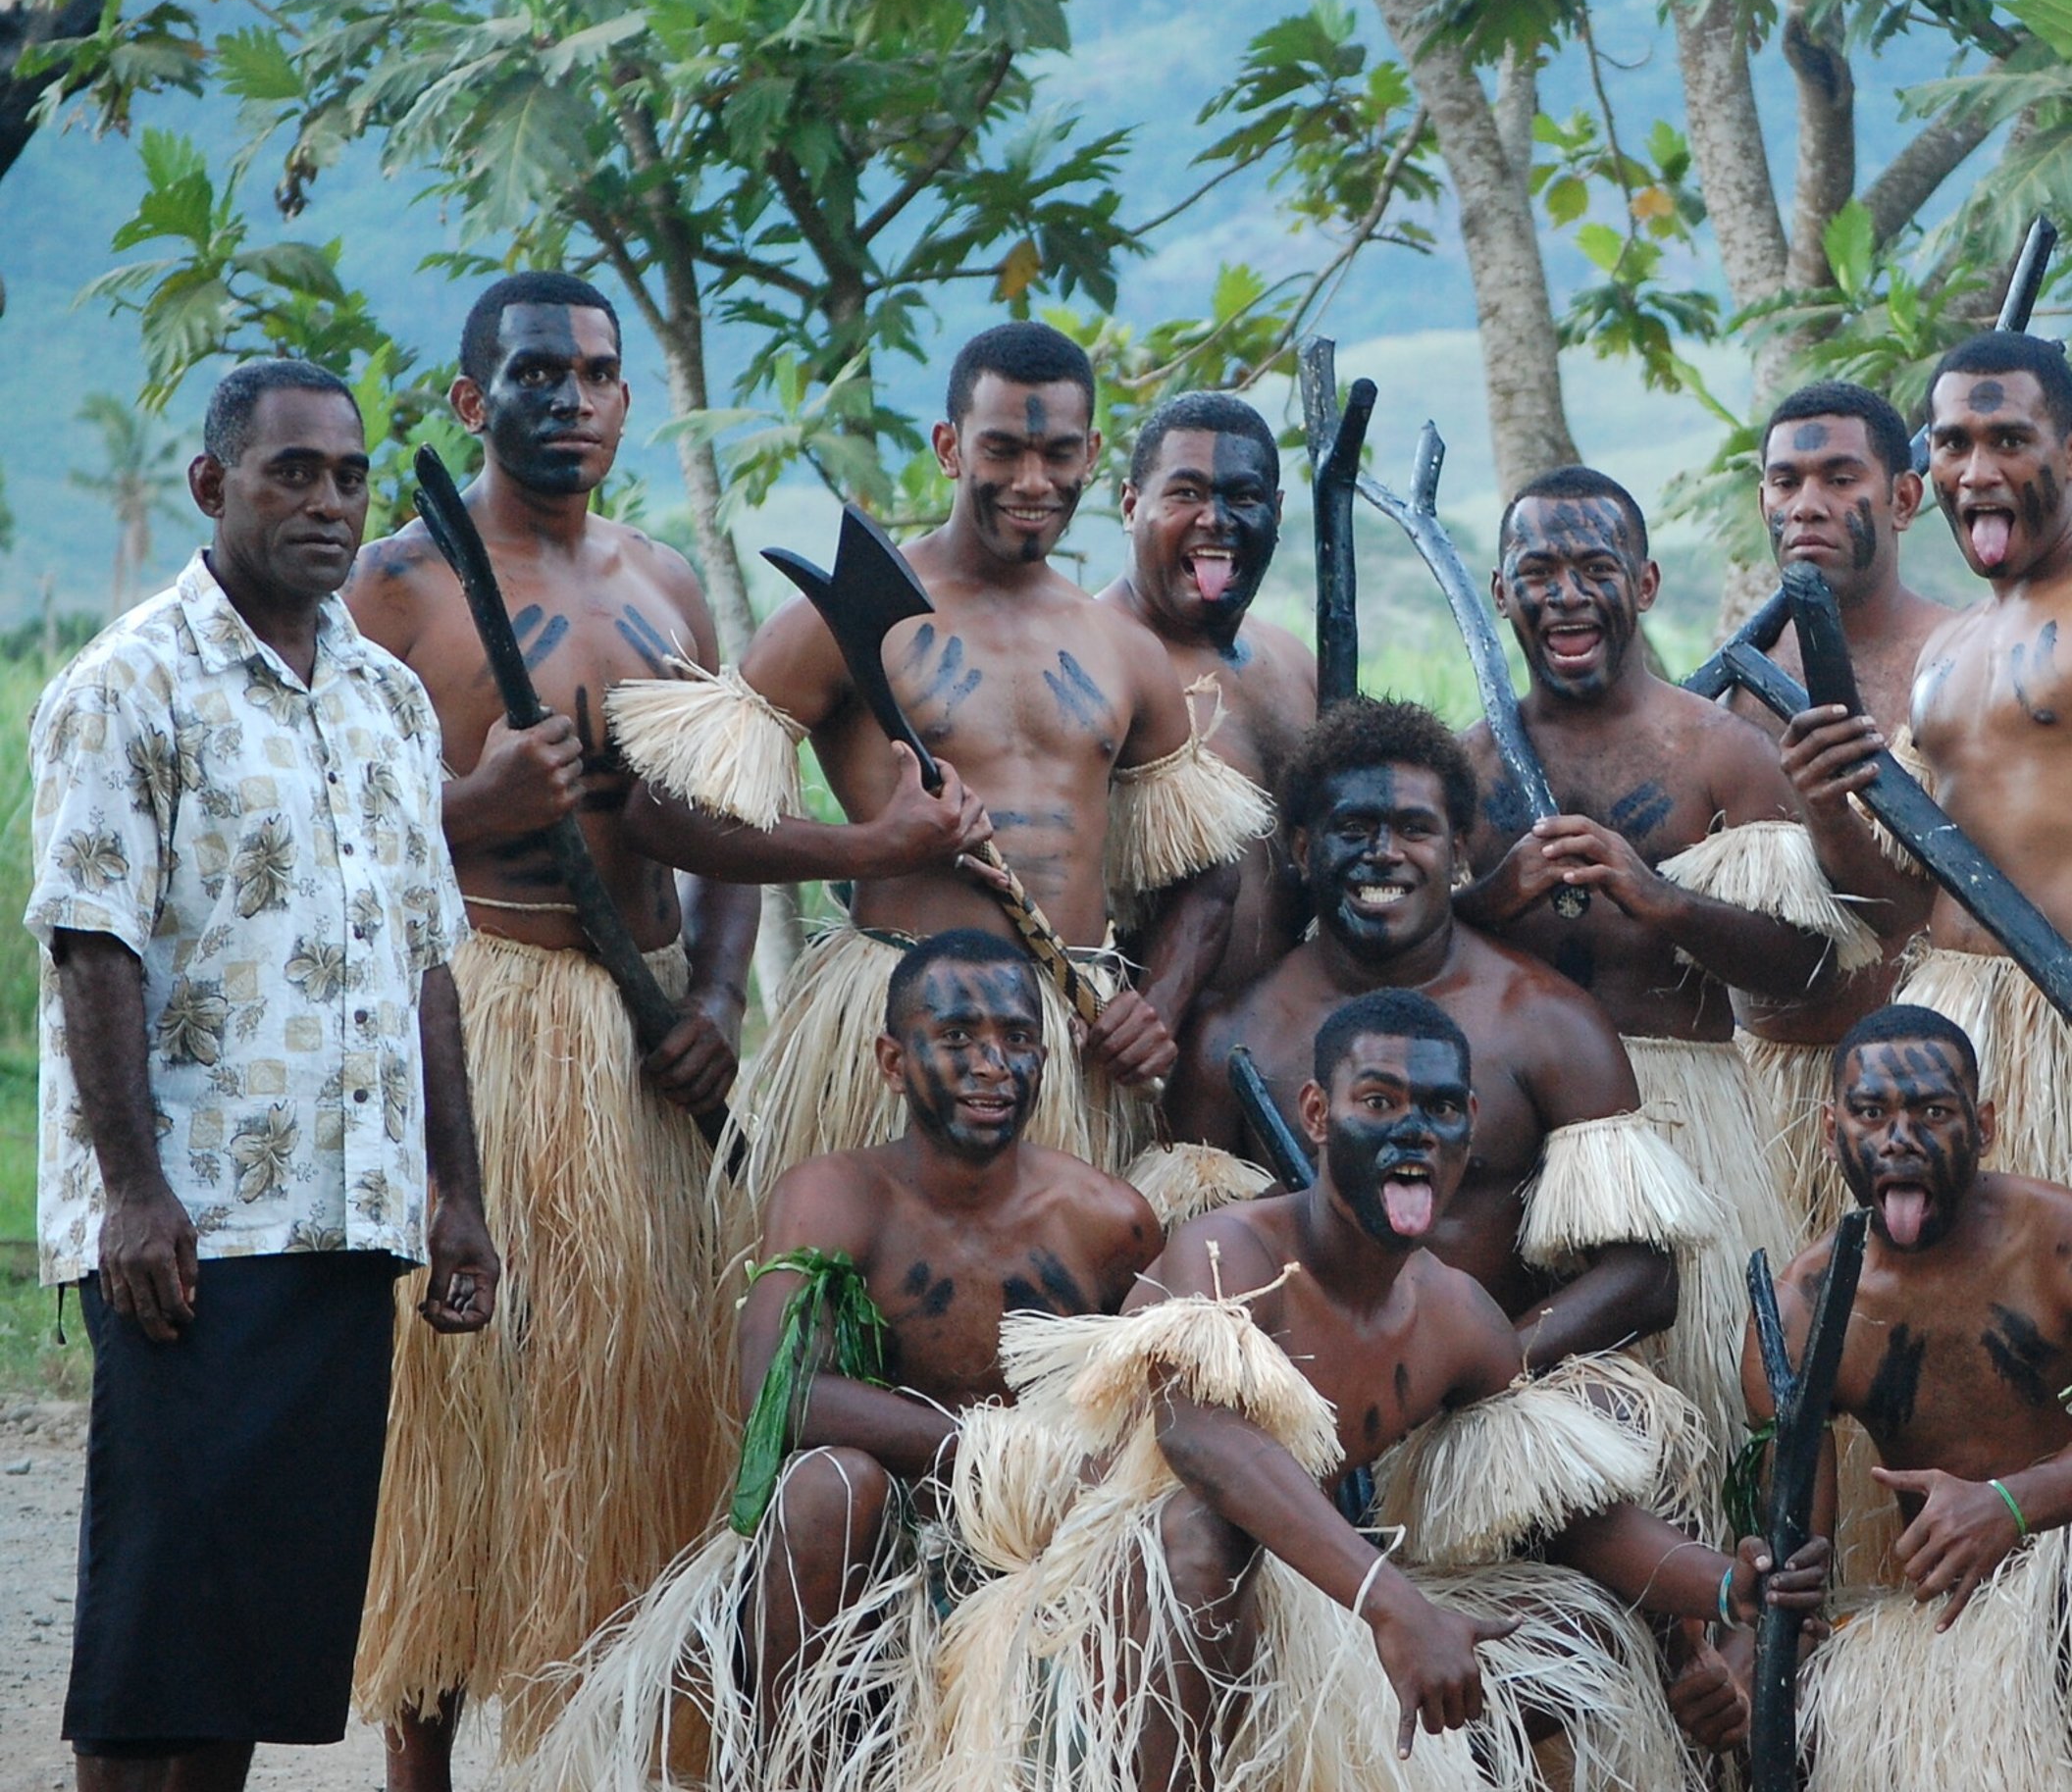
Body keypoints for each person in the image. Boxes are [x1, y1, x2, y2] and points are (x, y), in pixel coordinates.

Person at [928, 989, 1826, 1792]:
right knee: (1204, 1536)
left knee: (1569, 1634)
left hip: (1313, 1614)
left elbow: (1568, 1514)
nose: (1412, 1131)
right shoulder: (1229, 1254)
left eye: (1438, 1109)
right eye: (1379, 1103)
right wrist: (1398, 1607)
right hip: (1100, 1617)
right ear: (1317, 1114)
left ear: (1470, 1127)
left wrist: (1724, 1588)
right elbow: (1200, 1444)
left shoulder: (1457, 1317)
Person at [26, 359, 498, 1792]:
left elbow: (425, 962)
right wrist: (133, 1193)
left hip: (344, 1225)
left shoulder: (388, 703)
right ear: (213, 486)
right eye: (292, 471)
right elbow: (91, 946)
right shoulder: (130, 683)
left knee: (259, 1635)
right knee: (160, 1635)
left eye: (349, 475)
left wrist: (458, 1196)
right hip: (196, 1235)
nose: (329, 502)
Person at [342, 271, 761, 1783]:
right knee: (464, 1412)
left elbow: (726, 819)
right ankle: (423, 1764)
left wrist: (715, 998)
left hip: (645, 1046)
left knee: (653, 1409)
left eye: (594, 375)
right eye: (532, 375)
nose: (566, 400)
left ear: (626, 404)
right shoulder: (395, 586)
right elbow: (341, 826)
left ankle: (651, 1745)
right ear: (470, 402)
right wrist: (472, 806)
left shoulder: (666, 584)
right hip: (479, 1019)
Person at [611, 320, 1271, 1228]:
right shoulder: (842, 619)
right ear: (951, 447)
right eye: (1003, 449)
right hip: (893, 1019)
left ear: (1092, 456)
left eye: (1058, 453)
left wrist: (1154, 1001)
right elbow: (659, 815)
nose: (1032, 482)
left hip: (1062, 1040)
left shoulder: (1126, 650)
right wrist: (872, 848)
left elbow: (1214, 873)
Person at [514, 929, 1161, 1792]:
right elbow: (777, 1395)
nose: (992, 1064)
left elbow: (1151, 1410)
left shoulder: (1109, 1221)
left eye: (1015, 1039)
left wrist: (1060, 1490)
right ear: (894, 1061)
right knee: (830, 1482)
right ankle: (785, 1770)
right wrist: (985, 1452)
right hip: (874, 1539)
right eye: (957, 1038)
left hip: (1042, 1547)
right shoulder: (835, 1197)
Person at [1458, 466, 1866, 1476]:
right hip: (1515, 1129)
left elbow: (1807, 967)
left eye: (1595, 567)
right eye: (1539, 571)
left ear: (1642, 584)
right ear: (1502, 593)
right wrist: (1488, 899)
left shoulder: (1719, 753)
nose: (1566, 593)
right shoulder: (1466, 769)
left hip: (1683, 1122)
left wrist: (1666, 902)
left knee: (1716, 1433)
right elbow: (1397, 950)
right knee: (1540, 1439)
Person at [1166, 696, 1700, 1374]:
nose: (1383, 854)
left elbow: (1643, 1279)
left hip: (1501, 1395)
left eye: (1413, 829)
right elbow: (1195, 1268)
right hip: (1305, 1401)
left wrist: (1475, 1367)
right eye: (1354, 828)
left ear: (1457, 850)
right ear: (1304, 850)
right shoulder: (1230, 1038)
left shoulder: (1547, 1023)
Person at [1672, 1003, 2072, 1787]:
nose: (1900, 1138)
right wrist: (1744, 1674)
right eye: (1871, 1113)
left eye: (1932, 1112)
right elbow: (1795, 1568)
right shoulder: (1801, 1312)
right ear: (1831, 1132)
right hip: (1955, 1625)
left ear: (1983, 1124)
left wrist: (2013, 1503)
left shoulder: (2056, 1243)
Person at [1783, 331, 2072, 1191]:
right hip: (1954, 1036)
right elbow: (1901, 900)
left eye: (2009, 441)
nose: (1976, 471)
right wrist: (1828, 806)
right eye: (1953, 444)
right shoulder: (1947, 652)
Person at [1723, 384, 1943, 1234]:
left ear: (1904, 497)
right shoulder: (1735, 691)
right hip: (1766, 1094)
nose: (1806, 504)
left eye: (1840, 477)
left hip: (1939, 1102)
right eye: (1785, 482)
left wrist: (1834, 816)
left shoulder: (1959, 664)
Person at [1097, 391, 1317, 998]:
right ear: (1131, 505)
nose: (1215, 518)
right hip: (1134, 1050)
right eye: (1185, 493)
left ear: (1275, 510)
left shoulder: (1291, 661)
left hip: (1286, 1047)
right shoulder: (1088, 660)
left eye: (1241, 497)